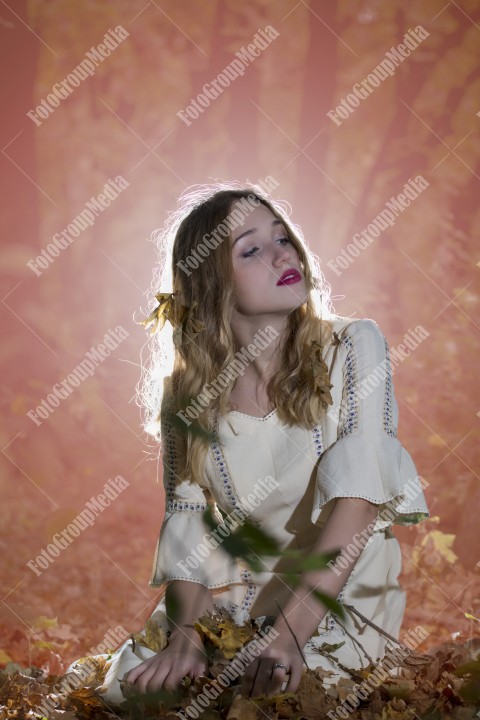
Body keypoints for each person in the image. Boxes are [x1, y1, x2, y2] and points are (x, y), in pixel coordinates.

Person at [66, 182, 429, 706]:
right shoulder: (185, 395)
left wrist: (287, 636)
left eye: (283, 236)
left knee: (281, 699)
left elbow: (359, 506)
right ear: (213, 286)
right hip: (239, 591)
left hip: (341, 588)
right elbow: (187, 520)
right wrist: (187, 636)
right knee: (137, 691)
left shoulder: (355, 346)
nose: (283, 252)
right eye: (251, 248)